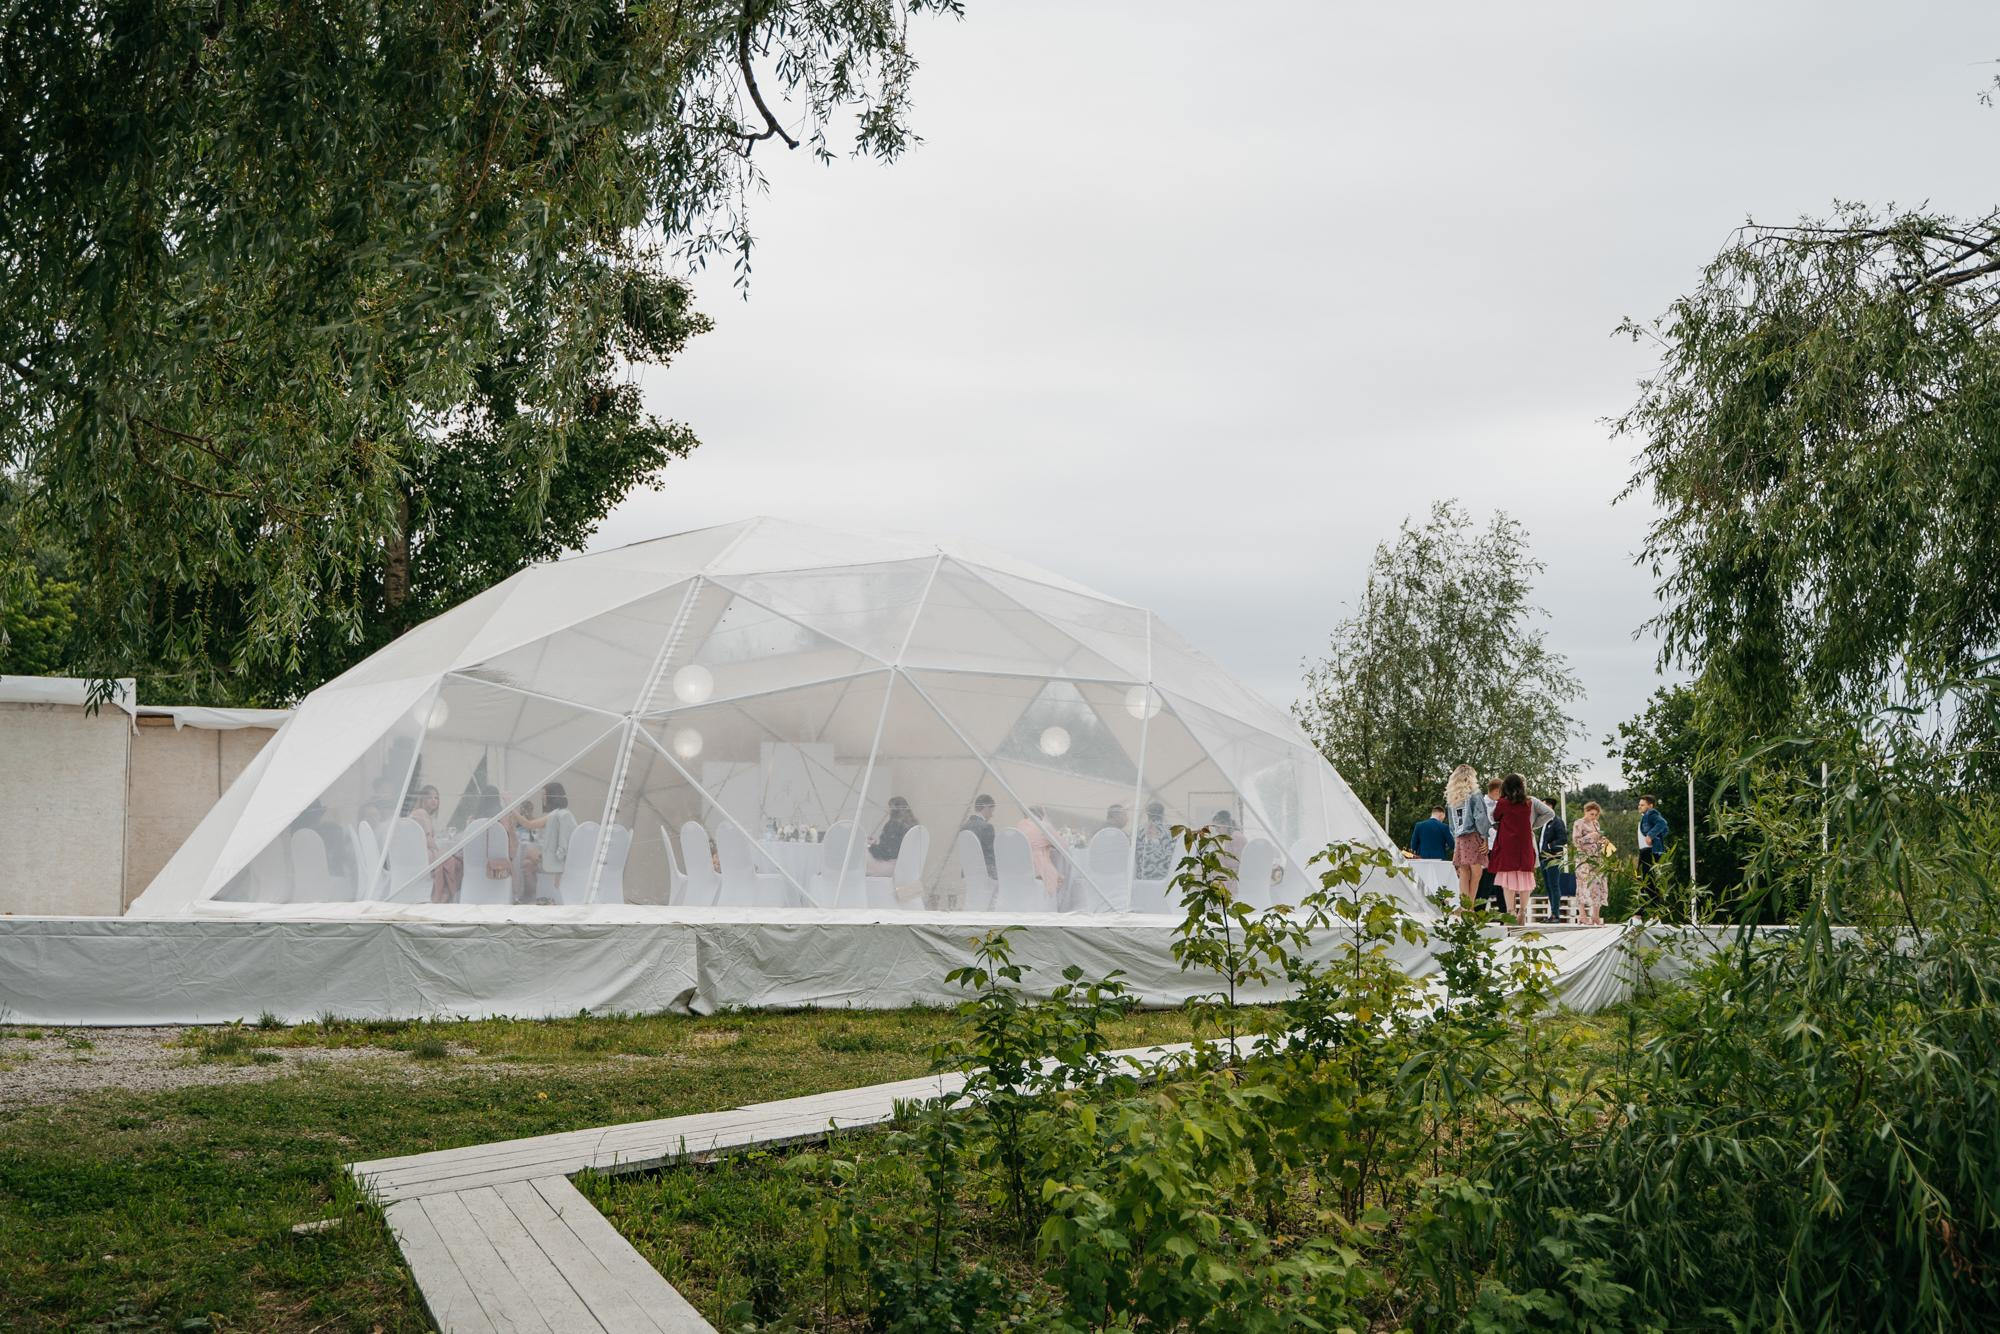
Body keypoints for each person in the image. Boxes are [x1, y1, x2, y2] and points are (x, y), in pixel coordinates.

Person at [1488, 773, 1540, 925]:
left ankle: (1510, 912)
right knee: (1525, 880)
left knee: (1507, 882)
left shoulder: (1503, 803)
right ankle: (1522, 912)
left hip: (1507, 846)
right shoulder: (1528, 803)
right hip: (1524, 845)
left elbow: (1496, 817)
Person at [514, 782, 576, 900]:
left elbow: (528, 824)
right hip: (564, 861)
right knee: (528, 861)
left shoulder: (555, 815)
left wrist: (511, 808)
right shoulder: (565, 814)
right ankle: (531, 895)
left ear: (551, 796)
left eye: (544, 794)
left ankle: (522, 896)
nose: (542, 798)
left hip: (556, 862)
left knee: (525, 857)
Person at [1444, 765, 1490, 910]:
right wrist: (1485, 837)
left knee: (1464, 872)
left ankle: (1464, 908)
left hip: (1459, 838)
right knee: (1477, 872)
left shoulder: (1452, 798)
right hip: (1472, 835)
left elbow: (1451, 824)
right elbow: (1480, 817)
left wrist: (1456, 837)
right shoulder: (1475, 795)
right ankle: (1469, 907)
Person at [1572, 801, 1611, 925]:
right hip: (1583, 859)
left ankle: (1595, 916)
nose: (1593, 817)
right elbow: (1576, 842)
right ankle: (1582, 916)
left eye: (1595, 815)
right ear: (1586, 812)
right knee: (1583, 884)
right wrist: (1590, 836)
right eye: (1591, 814)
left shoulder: (1596, 823)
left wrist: (1602, 841)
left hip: (1596, 858)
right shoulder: (1579, 823)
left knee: (1599, 884)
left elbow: (1596, 840)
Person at [1016, 805, 1066, 900]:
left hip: (1021, 866)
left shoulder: (1020, 825)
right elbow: (1063, 846)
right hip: (1038, 867)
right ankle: (1050, 903)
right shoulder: (1044, 826)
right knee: (1057, 877)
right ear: (1042, 815)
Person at [867, 796, 917, 874]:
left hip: (891, 867)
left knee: (862, 853)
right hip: (909, 867)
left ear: (892, 809)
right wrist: (876, 844)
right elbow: (895, 846)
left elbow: (886, 854)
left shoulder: (893, 825)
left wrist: (871, 846)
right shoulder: (914, 824)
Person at [1538, 803, 1570, 923]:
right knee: (1548, 886)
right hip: (1543, 858)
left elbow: (1563, 839)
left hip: (1553, 857)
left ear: (1550, 807)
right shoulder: (1543, 823)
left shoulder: (1557, 822)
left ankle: (1556, 914)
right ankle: (1552, 914)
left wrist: (1550, 846)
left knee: (1554, 885)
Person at [1134, 801, 1175, 880]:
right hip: (1165, 876)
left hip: (1143, 876)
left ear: (1147, 813)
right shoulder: (1172, 830)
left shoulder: (1138, 830)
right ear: (1163, 813)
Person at [960, 794, 998, 878]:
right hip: (983, 876)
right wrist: (997, 877)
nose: (992, 815)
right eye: (992, 811)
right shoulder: (987, 827)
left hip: (968, 874)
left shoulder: (964, 827)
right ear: (986, 807)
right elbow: (990, 855)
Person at [1637, 794, 1669, 890]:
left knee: (1649, 881)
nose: (1639, 806)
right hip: (1645, 851)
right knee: (1644, 879)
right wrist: (1656, 837)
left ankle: (1652, 903)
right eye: (1639, 804)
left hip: (1650, 851)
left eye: (1642, 805)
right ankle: (1648, 903)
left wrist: (1651, 836)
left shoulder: (1651, 813)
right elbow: (1665, 830)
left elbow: (1662, 823)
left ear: (1650, 806)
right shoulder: (1645, 817)